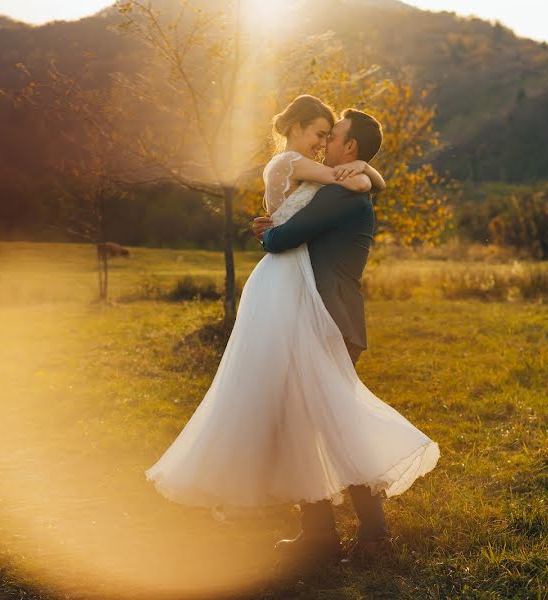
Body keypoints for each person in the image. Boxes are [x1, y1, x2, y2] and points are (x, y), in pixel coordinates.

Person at [145, 94, 440, 570]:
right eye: (322, 135)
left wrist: (268, 231)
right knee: (310, 420)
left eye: (334, 137)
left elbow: (283, 237)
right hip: (315, 315)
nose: (325, 146)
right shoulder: (343, 187)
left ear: (352, 148)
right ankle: (326, 534)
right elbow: (293, 225)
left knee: (333, 419)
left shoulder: (344, 193)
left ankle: (364, 534)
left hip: (325, 319)